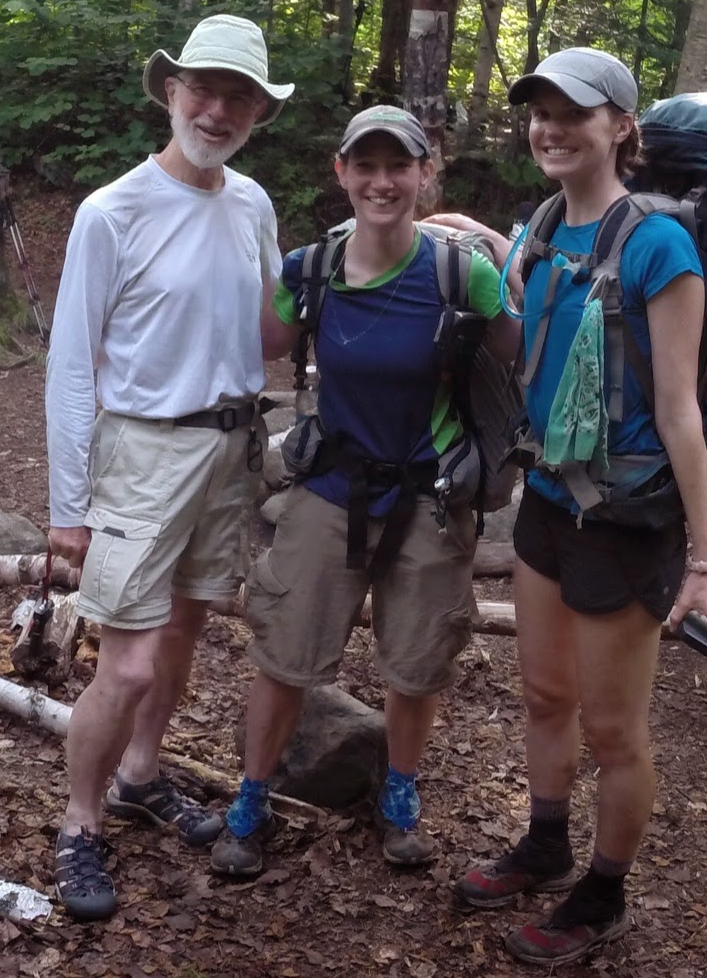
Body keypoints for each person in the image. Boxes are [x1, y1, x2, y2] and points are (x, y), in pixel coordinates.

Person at [440, 48, 707, 967]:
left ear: (621, 126)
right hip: (546, 500)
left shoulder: (660, 246)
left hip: (626, 518)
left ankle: (603, 894)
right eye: (539, 112)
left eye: (573, 112)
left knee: (612, 730)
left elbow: (680, 409)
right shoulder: (540, 225)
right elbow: (528, 342)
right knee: (544, 694)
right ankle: (545, 842)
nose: (551, 128)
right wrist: (479, 250)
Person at [208, 105, 519, 878]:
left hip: (430, 495)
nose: (383, 182)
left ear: (424, 175)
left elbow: (519, 350)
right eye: (366, 166)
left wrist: (500, 249)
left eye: (399, 166)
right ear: (341, 172)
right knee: (285, 652)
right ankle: (252, 796)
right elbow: (264, 342)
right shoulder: (310, 270)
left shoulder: (461, 274)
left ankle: (399, 794)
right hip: (330, 487)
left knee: (415, 662)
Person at [44, 13, 293, 922]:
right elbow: (72, 365)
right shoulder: (112, 211)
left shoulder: (252, 203)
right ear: (172, 93)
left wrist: (379, 256)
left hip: (230, 448)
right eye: (204, 91)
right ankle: (79, 821)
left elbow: (272, 331)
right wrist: (67, 504)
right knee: (131, 661)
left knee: (184, 628)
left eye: (238, 98)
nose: (217, 111)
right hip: (142, 453)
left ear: (258, 112)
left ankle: (141, 777)